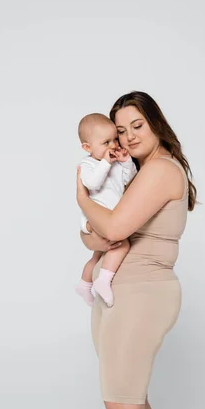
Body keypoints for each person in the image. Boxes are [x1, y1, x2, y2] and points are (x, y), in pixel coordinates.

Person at [76, 91, 197, 409]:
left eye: (136, 126)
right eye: (120, 129)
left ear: (156, 124)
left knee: (124, 404)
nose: (126, 136)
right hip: (122, 291)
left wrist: (79, 199)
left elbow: (108, 230)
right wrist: (97, 229)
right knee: (129, 401)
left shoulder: (163, 170)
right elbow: (104, 233)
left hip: (143, 293)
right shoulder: (139, 173)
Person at [75, 113, 137, 307]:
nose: (113, 146)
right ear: (88, 147)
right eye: (106, 142)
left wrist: (126, 162)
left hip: (109, 215)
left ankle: (84, 284)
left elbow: (129, 180)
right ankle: (103, 280)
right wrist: (106, 163)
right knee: (123, 245)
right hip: (96, 216)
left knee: (98, 254)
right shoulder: (88, 164)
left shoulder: (114, 163)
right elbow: (92, 183)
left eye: (114, 140)